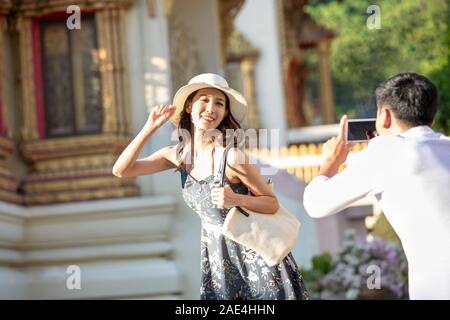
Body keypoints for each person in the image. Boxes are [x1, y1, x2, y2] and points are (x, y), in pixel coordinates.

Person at [112, 73, 308, 300]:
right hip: (217, 264)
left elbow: (272, 203)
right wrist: (149, 128)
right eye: (204, 99)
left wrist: (237, 199)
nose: (210, 108)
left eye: (219, 103)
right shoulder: (177, 156)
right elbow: (122, 170)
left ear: (225, 113)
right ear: (188, 107)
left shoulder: (232, 157)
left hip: (257, 264)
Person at [303, 72, 450, 300]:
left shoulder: (386, 151)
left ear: (385, 115)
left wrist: (331, 163)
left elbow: (315, 203)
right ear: (431, 116)